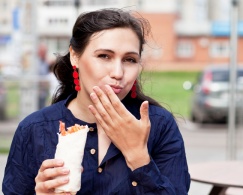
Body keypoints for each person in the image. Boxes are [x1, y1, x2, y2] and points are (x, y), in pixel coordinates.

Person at [2, 8, 190, 194]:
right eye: (104, 56)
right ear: (75, 56)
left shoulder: (159, 126)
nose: (118, 73)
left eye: (130, 60)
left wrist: (138, 157)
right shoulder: (34, 129)